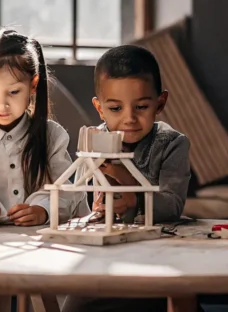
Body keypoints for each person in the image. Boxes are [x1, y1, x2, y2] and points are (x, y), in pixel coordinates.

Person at [61, 44, 191, 312]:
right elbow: (78, 192)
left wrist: (130, 189)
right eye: (116, 108)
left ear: (160, 103)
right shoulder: (94, 140)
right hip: (103, 255)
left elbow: (172, 205)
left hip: (159, 256)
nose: (129, 119)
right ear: (99, 108)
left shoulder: (172, 144)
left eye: (141, 106)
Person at [0, 29, 88, 228]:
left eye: (13, 92)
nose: (2, 105)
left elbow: (65, 190)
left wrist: (44, 210)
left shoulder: (53, 136)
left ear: (33, 85)